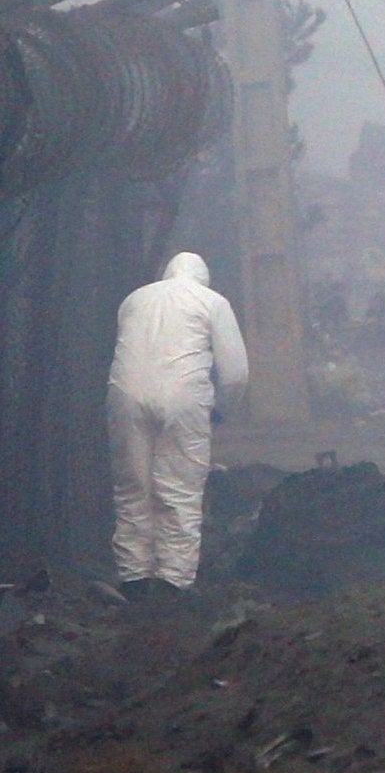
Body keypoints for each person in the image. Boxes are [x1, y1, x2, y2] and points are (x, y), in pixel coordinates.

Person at [107, 252, 249, 596]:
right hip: (183, 398)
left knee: (133, 487)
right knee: (179, 488)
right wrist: (221, 410)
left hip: (123, 396)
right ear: (203, 277)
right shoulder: (212, 301)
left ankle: (135, 577)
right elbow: (235, 375)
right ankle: (174, 580)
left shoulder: (133, 300)